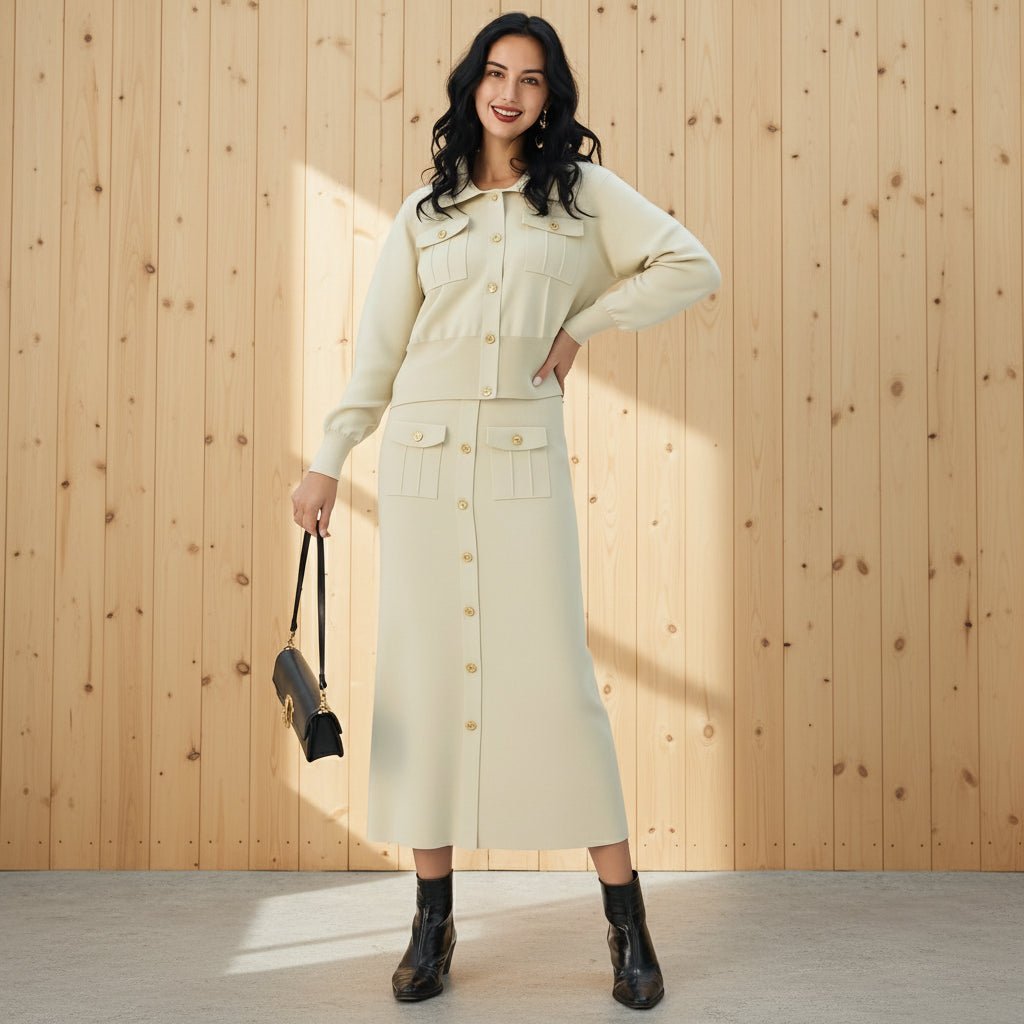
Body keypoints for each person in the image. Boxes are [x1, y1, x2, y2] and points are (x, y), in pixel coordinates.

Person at [291, 12, 721, 1010]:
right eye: (496, 73)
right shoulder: (421, 215)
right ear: (470, 85)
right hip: (423, 468)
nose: (510, 93)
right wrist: (326, 461)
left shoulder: (578, 202)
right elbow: (377, 360)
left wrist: (582, 323)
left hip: (524, 468)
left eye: (531, 79)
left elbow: (688, 263)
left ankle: (626, 923)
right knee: (421, 687)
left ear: (548, 97)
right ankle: (431, 920)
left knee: (561, 686)